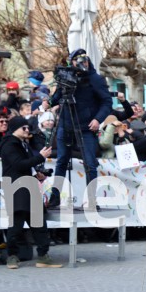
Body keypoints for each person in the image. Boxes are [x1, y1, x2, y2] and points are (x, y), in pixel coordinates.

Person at [49, 49, 112, 208]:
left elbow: (107, 102)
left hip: (86, 127)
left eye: (84, 60)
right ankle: (54, 197)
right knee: (62, 161)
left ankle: (91, 199)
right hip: (65, 124)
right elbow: (55, 99)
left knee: (90, 164)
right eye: (78, 61)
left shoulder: (95, 79)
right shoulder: (67, 76)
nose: (82, 63)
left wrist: (98, 119)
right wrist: (58, 90)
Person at [0, 115, 62, 269]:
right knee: (17, 224)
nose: (28, 130)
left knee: (39, 223)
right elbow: (18, 165)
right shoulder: (9, 144)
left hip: (28, 186)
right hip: (17, 188)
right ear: (15, 129)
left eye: (28, 127)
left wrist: (36, 175)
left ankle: (43, 256)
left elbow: (23, 167)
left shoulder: (21, 144)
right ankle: (12, 256)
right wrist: (40, 157)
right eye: (24, 128)